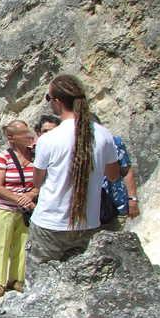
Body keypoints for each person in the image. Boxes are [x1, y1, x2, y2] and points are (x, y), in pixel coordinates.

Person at [26, 74, 120, 276]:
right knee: (83, 281)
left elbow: (37, 181)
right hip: (88, 223)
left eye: (48, 98)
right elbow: (113, 175)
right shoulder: (103, 135)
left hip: (50, 223)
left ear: (57, 102)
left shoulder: (48, 139)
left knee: (39, 281)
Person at [0, 120, 37, 297]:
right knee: (1, 244)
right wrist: (20, 199)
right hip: (3, 208)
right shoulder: (3, 158)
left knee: (23, 245)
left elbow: (40, 182)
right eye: (23, 133)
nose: (28, 136)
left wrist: (31, 195)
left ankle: (16, 279)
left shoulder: (35, 157)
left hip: (25, 210)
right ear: (11, 138)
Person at [93, 117, 140, 227]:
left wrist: (132, 200)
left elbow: (126, 171)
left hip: (116, 206)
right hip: (91, 212)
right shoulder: (76, 148)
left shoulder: (114, 143)